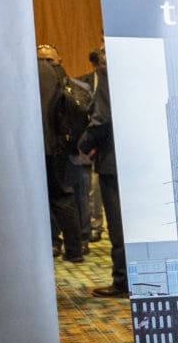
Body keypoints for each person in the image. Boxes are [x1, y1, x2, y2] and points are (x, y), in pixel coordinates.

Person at [83, 48, 127, 297]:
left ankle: (122, 281)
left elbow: (101, 118)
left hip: (113, 160)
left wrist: (82, 146)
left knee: (118, 224)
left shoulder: (108, 73)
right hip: (143, 157)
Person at [37, 44, 85, 262]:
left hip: (40, 148)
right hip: (59, 148)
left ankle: (56, 245)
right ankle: (74, 250)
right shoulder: (61, 77)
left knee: (53, 200)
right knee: (63, 199)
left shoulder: (31, 72)